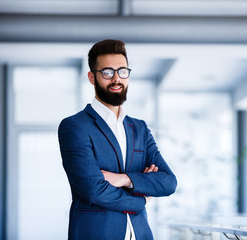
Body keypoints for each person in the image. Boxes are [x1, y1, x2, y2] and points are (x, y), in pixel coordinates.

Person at [58, 39, 177, 240]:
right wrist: (142, 199)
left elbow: (168, 181)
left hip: (140, 234)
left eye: (122, 71)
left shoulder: (139, 128)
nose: (116, 79)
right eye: (107, 72)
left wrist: (124, 179)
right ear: (91, 77)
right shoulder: (75, 126)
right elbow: (94, 190)